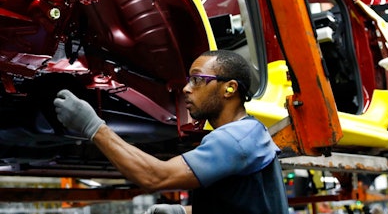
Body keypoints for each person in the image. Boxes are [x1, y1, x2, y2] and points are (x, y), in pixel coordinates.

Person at [54, 49, 289, 214]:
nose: (186, 88)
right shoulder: (248, 134)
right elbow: (241, 206)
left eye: (197, 80)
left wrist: (93, 127)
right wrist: (184, 211)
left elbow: (156, 177)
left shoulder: (238, 139)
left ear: (230, 88)